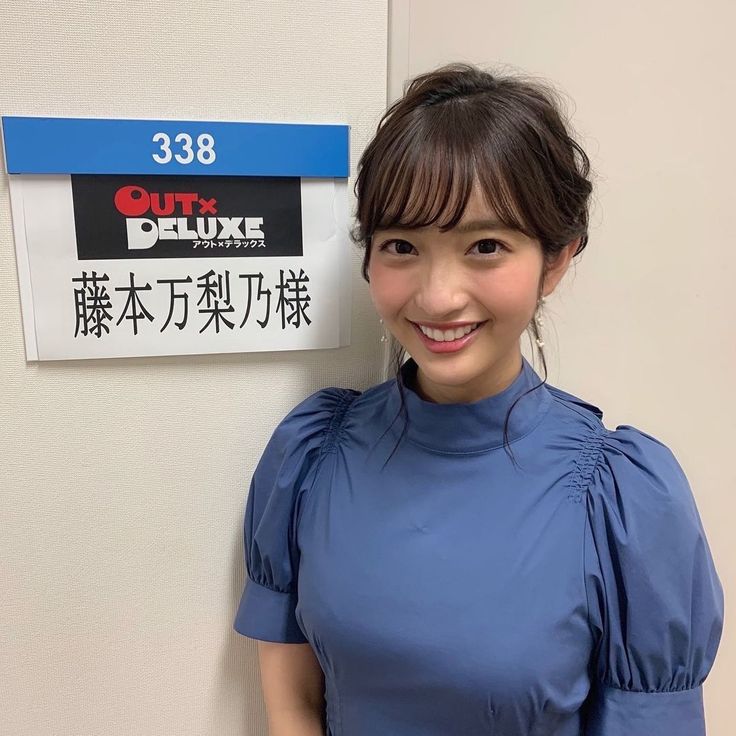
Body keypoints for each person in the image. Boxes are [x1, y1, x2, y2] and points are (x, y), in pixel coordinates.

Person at [233, 63, 724, 736]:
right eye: (401, 245)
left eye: (486, 246)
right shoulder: (312, 456)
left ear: (556, 259)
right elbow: (292, 704)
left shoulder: (625, 501)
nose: (438, 297)